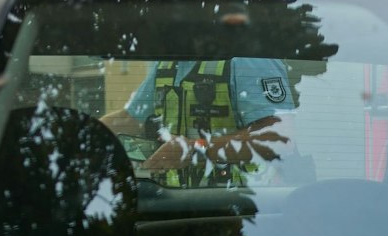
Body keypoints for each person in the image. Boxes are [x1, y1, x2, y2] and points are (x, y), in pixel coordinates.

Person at [102, 56, 291, 186]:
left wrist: (196, 149)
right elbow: (131, 119)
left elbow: (281, 138)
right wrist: (80, 132)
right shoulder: (168, 62)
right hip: (179, 208)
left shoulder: (248, 58)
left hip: (244, 208)